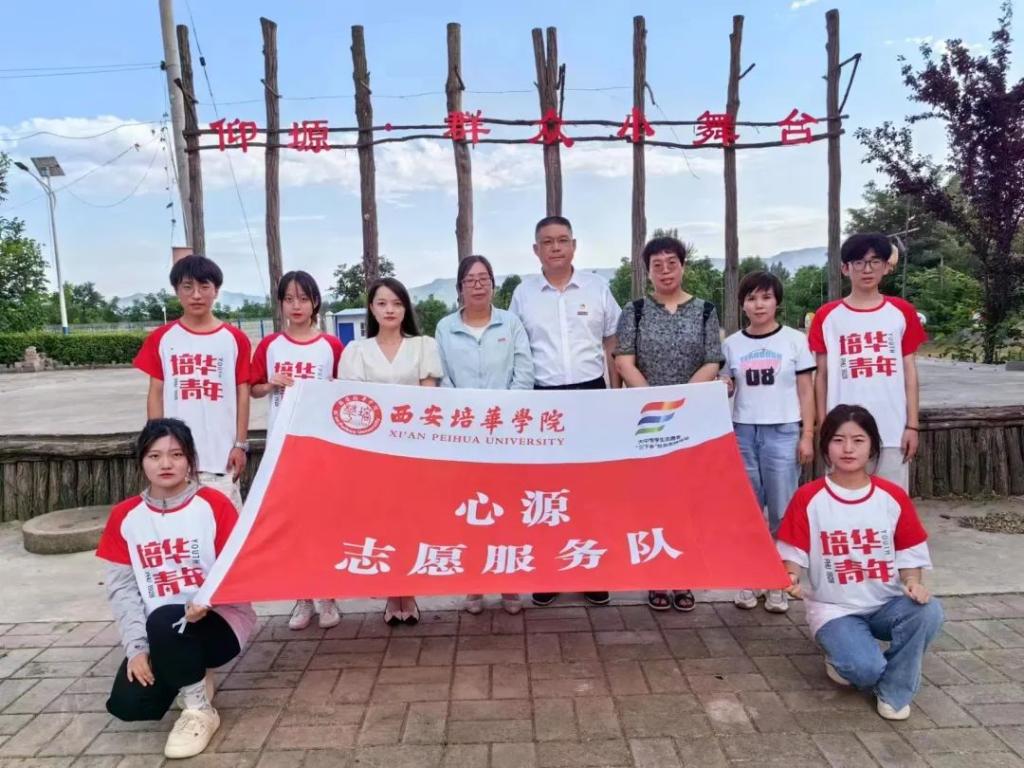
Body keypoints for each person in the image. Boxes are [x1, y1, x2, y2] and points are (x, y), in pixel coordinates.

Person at [96, 418, 257, 759]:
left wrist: (208, 600)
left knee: (166, 620)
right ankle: (194, 673)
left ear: (190, 460)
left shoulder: (213, 505)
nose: (165, 464)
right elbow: (122, 591)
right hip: (162, 631)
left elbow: (239, 569)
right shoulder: (125, 516)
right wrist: (137, 649)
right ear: (141, 461)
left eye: (176, 454)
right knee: (130, 703)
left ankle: (199, 710)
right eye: (154, 456)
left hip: (219, 621)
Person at [776, 404, 942, 721]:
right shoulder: (808, 497)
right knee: (864, 670)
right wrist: (790, 578)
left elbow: (910, 553)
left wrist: (913, 583)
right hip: (834, 609)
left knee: (928, 611)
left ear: (873, 447)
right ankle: (845, 655)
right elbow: (791, 554)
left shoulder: (892, 496)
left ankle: (895, 691)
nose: (848, 449)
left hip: (885, 604)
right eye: (838, 440)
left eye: (858, 440)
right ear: (826, 447)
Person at [509, 215, 621, 608]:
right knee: (546, 491)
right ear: (535, 249)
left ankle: (590, 567)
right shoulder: (523, 294)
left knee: (591, 487)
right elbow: (517, 348)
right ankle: (549, 570)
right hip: (543, 399)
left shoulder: (597, 287)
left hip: (591, 395)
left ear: (574, 245)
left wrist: (614, 396)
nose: (555, 247)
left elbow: (611, 343)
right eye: (547, 241)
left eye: (562, 240)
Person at [614, 235, 722, 612]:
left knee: (688, 500)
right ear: (648, 272)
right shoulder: (635, 311)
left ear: (683, 266)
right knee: (652, 500)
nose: (665, 271)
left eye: (671, 263)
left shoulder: (705, 310)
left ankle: (684, 574)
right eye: (656, 265)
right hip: (648, 420)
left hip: (691, 418)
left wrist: (683, 399)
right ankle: (657, 575)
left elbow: (713, 359)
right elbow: (623, 360)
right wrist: (655, 402)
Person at [338, 277, 442, 626]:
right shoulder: (356, 351)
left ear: (405, 308)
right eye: (382, 303)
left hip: (413, 451)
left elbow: (428, 399)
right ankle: (390, 593)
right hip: (373, 452)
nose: (390, 310)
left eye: (397, 303)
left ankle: (408, 593)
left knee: (411, 522)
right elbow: (354, 405)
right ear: (371, 308)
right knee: (381, 523)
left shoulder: (424, 346)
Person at [435, 255, 533, 616]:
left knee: (507, 510)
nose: (477, 285)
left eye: (484, 279)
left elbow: (524, 372)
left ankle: (509, 583)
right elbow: (442, 377)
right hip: (464, 434)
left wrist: (502, 414)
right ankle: (474, 583)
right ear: (459, 287)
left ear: (493, 284)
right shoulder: (445, 328)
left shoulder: (511, 323)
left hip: (506, 433)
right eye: (470, 280)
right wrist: (467, 414)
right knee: (470, 511)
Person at [250, 270, 344, 631]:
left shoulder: (330, 346)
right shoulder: (271, 345)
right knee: (291, 525)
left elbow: (345, 391)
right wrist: (270, 383)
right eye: (289, 299)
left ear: (315, 302)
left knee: (322, 523)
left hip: (320, 447)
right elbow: (254, 388)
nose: (296, 306)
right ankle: (302, 598)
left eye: (303, 298)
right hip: (281, 447)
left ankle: (327, 595)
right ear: (281, 304)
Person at [722, 271, 816, 614]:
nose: (758, 305)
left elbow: (806, 391)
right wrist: (725, 385)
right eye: (751, 298)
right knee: (748, 511)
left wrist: (807, 434)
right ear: (742, 304)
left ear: (777, 302)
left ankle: (780, 580)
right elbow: (727, 385)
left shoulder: (794, 341)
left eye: (766, 297)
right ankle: (750, 576)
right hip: (743, 432)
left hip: (783, 431)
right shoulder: (732, 344)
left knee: (781, 511)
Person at [808, 233, 927, 490]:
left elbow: (909, 372)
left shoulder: (902, 312)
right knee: (843, 502)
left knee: (891, 502)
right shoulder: (827, 316)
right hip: (842, 434)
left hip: (892, 430)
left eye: (874, 261)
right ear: (845, 268)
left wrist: (912, 426)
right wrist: (824, 428)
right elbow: (822, 377)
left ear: (886, 266)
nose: (867, 269)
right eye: (859, 262)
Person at [132, 255, 251, 509]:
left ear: (216, 290)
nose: (196, 295)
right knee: (176, 522)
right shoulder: (162, 338)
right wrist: (156, 445)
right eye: (188, 287)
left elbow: (243, 393)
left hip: (221, 458)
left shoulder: (235, 339)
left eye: (204, 287)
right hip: (176, 458)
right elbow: (156, 392)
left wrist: (240, 445)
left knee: (224, 524)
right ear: (177, 291)